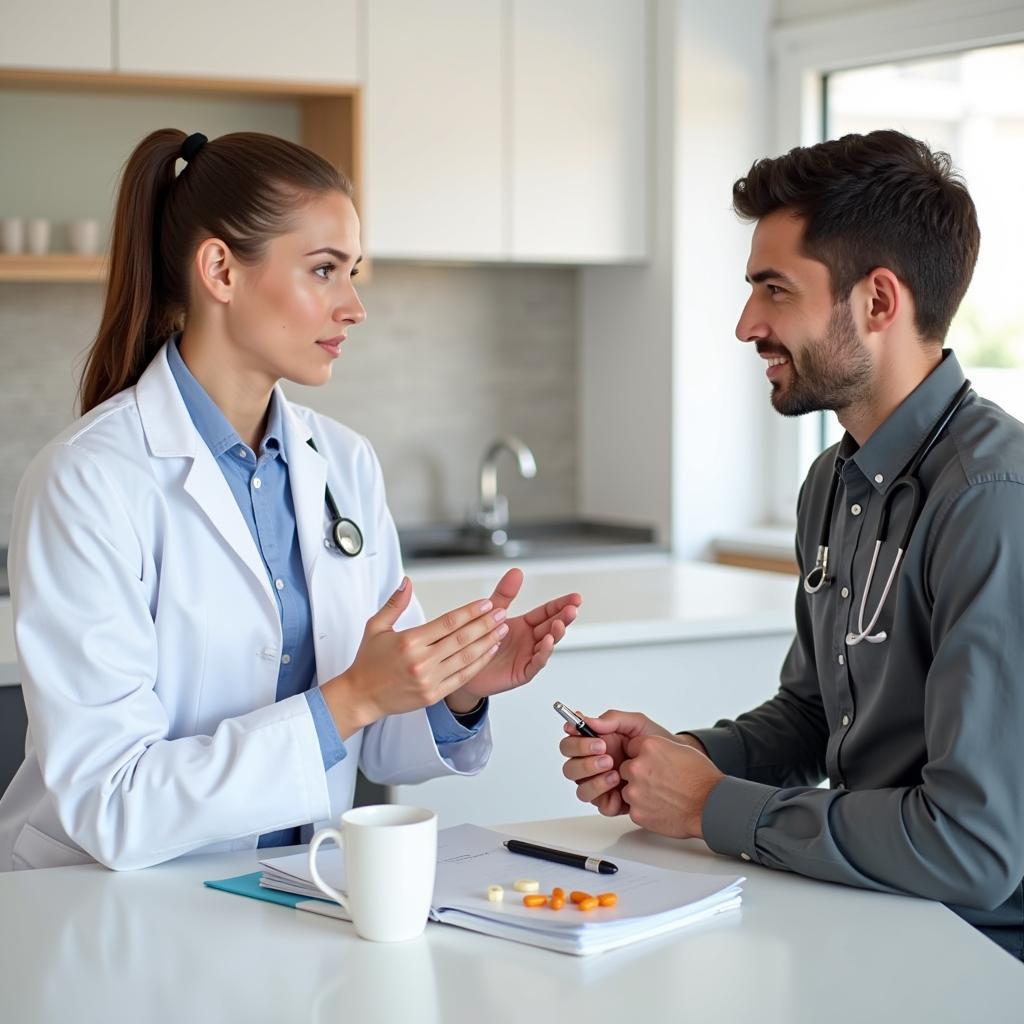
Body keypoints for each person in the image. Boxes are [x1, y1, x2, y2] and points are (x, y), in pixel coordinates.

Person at [0, 129, 582, 871]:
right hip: (100, 906)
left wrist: (451, 690)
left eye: (353, 272)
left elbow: (364, 731)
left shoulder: (343, 462)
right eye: (324, 271)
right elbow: (112, 803)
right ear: (220, 270)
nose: (355, 307)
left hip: (290, 885)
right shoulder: (86, 480)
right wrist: (355, 697)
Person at [559, 130, 1024, 959]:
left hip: (976, 957)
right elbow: (818, 717)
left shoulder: (992, 503)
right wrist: (680, 761)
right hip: (869, 918)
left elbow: (972, 846)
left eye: (775, 290)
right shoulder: (834, 483)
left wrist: (713, 806)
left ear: (879, 302)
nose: (747, 326)